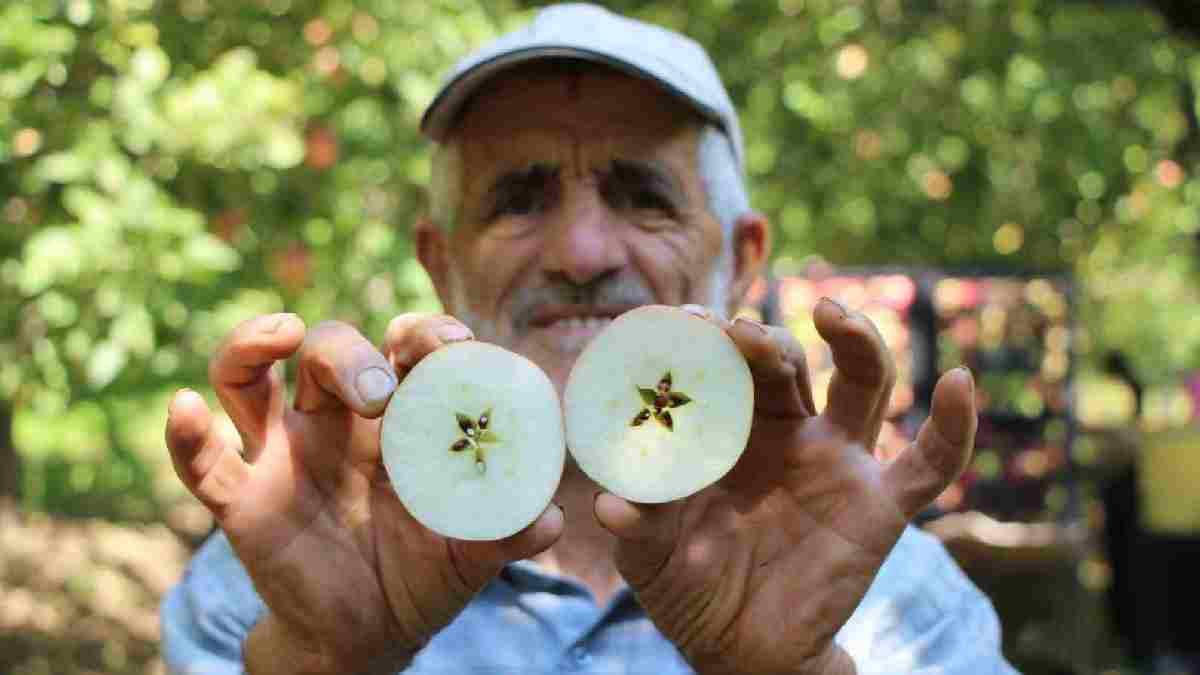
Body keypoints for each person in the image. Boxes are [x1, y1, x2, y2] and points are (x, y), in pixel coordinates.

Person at [160, 4, 1017, 673]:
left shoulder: (886, 597)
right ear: (439, 260)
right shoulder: (278, 581)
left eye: (644, 194)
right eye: (519, 198)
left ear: (743, 256)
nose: (581, 252)